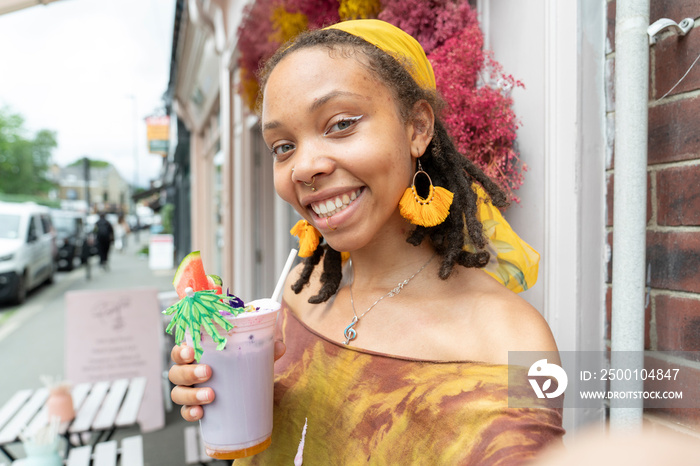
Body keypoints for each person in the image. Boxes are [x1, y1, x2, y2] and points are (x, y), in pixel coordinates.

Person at [169, 19, 563, 464]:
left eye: (339, 124)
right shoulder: (303, 288)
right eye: (283, 146)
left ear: (416, 128)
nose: (303, 167)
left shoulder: (511, 338)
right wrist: (232, 391)